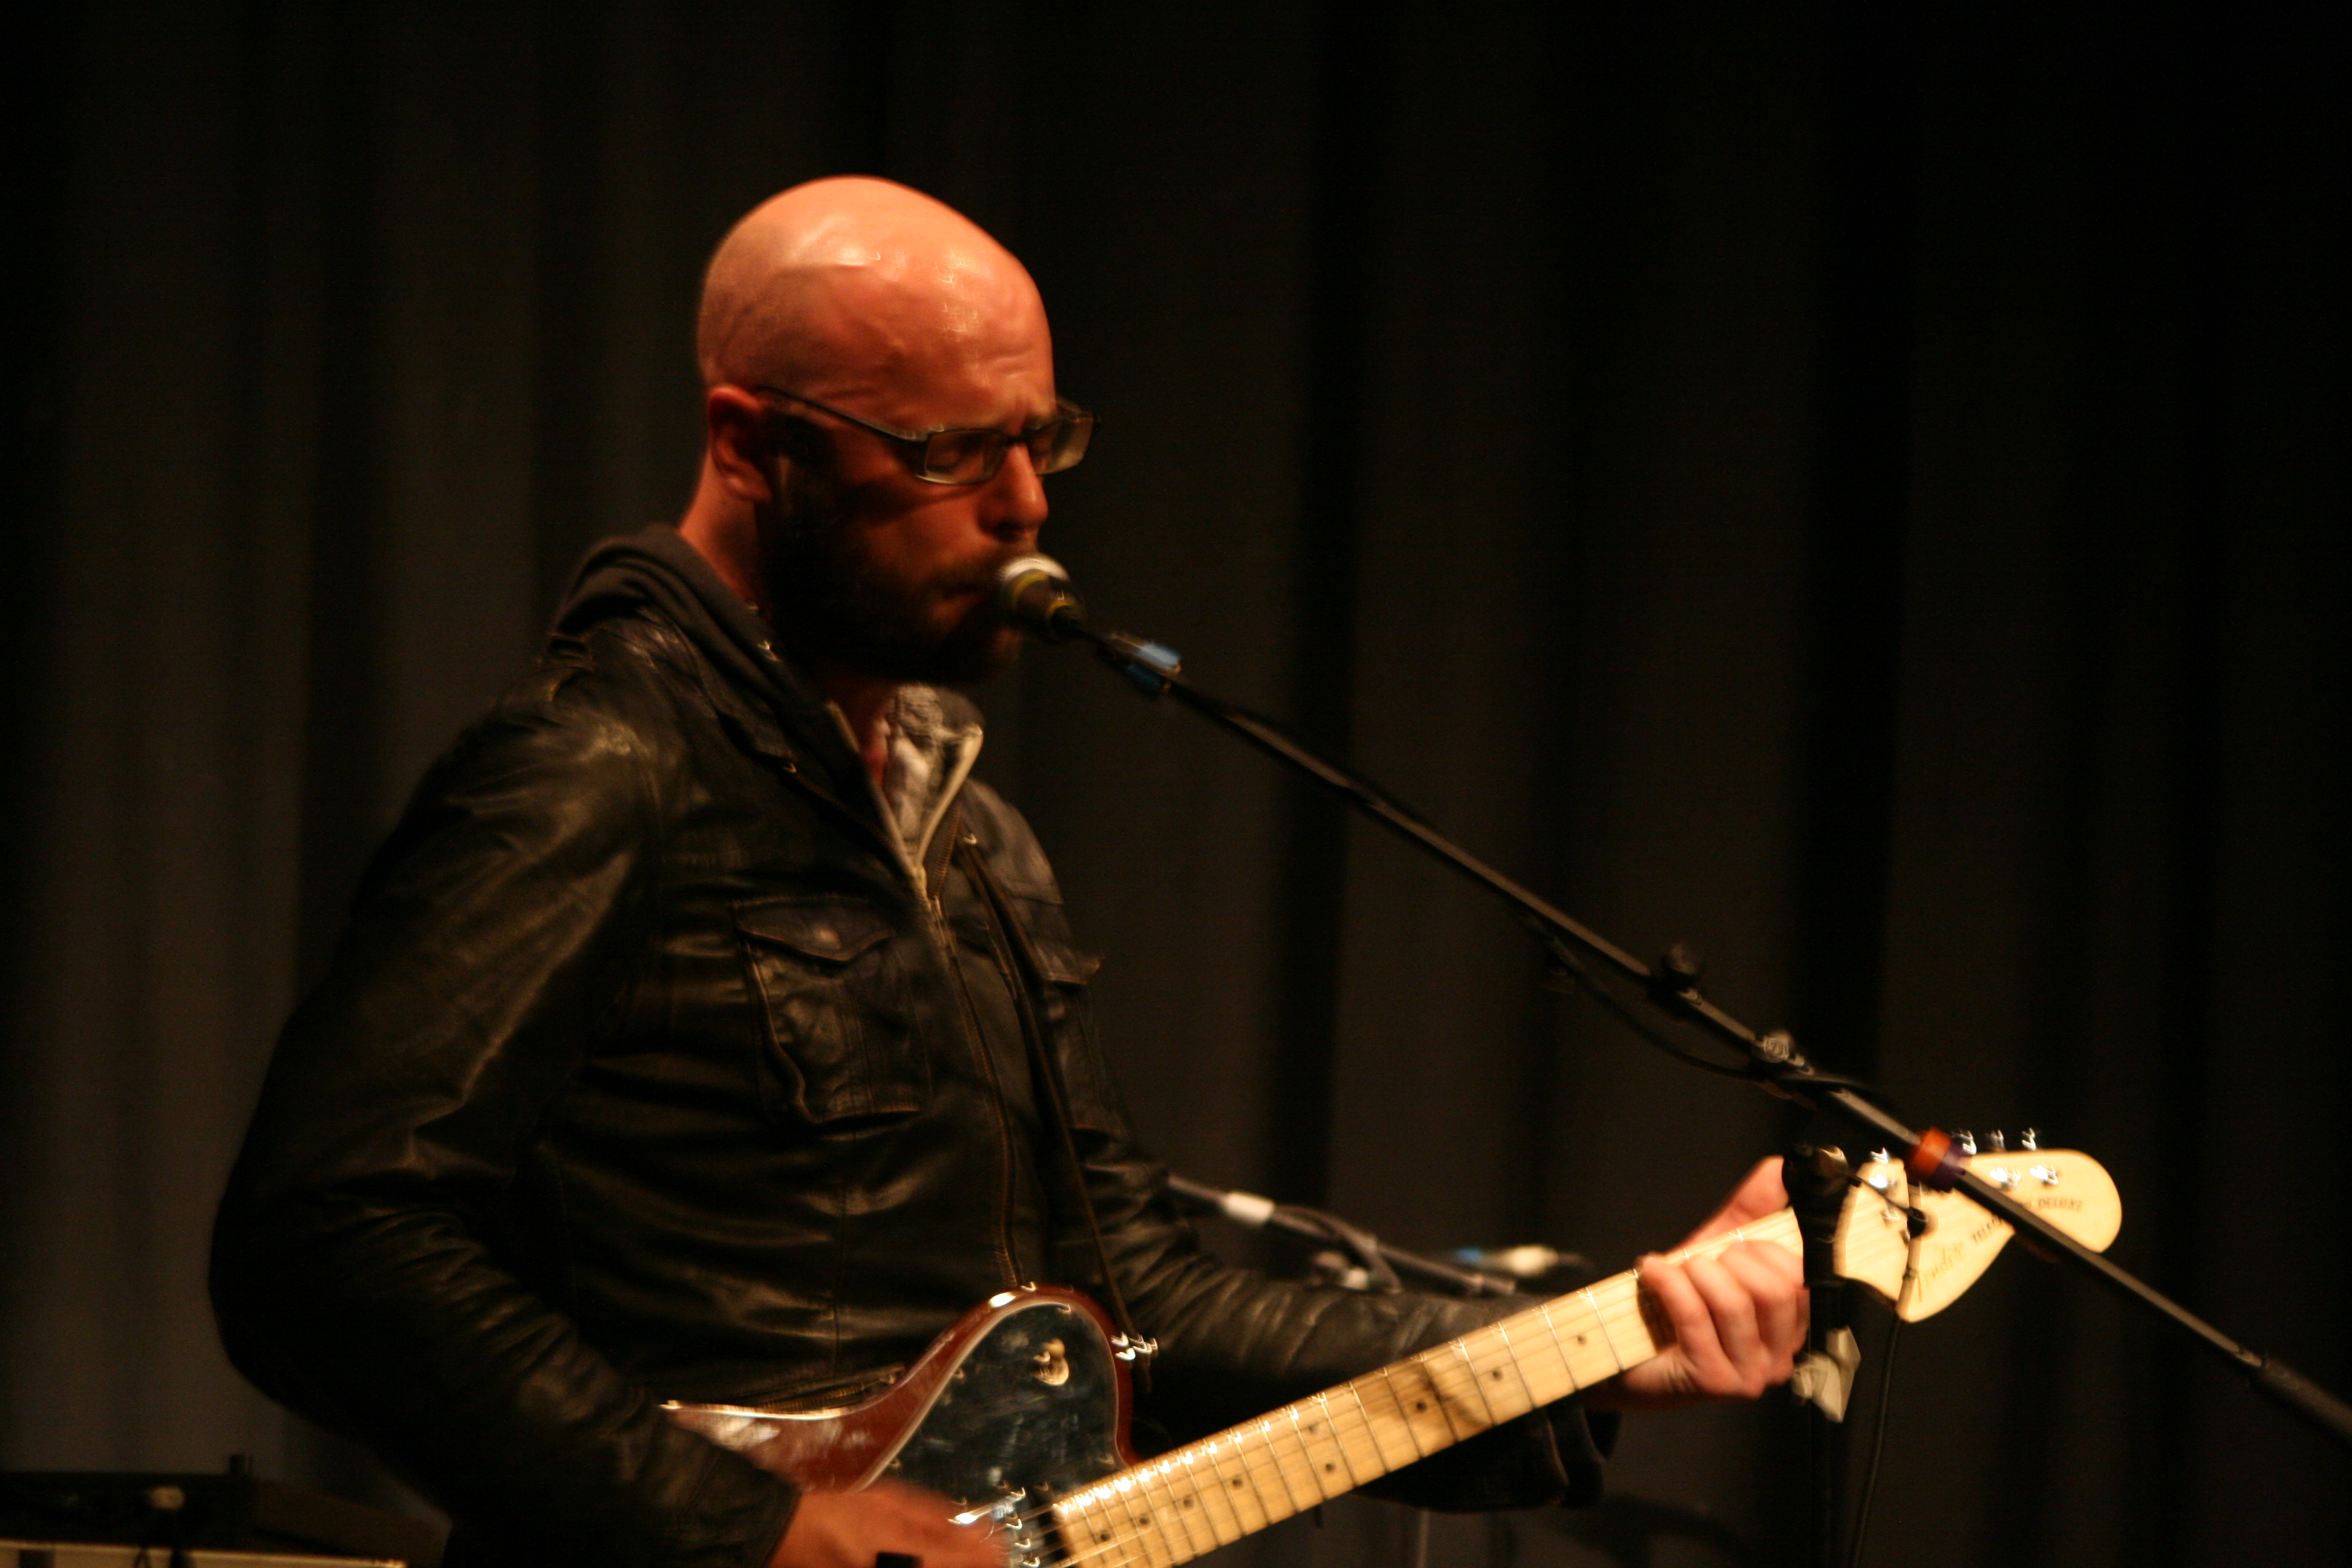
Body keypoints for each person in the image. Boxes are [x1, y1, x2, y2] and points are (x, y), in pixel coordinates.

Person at [211, 177, 1805, 1568]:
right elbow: (322, 1243)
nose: (1027, 507)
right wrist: (745, 1527)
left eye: (1040, 441)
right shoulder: (604, 767)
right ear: (751, 445)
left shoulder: (973, 835)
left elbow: (1149, 1308)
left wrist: (1612, 1340)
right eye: (948, 454)